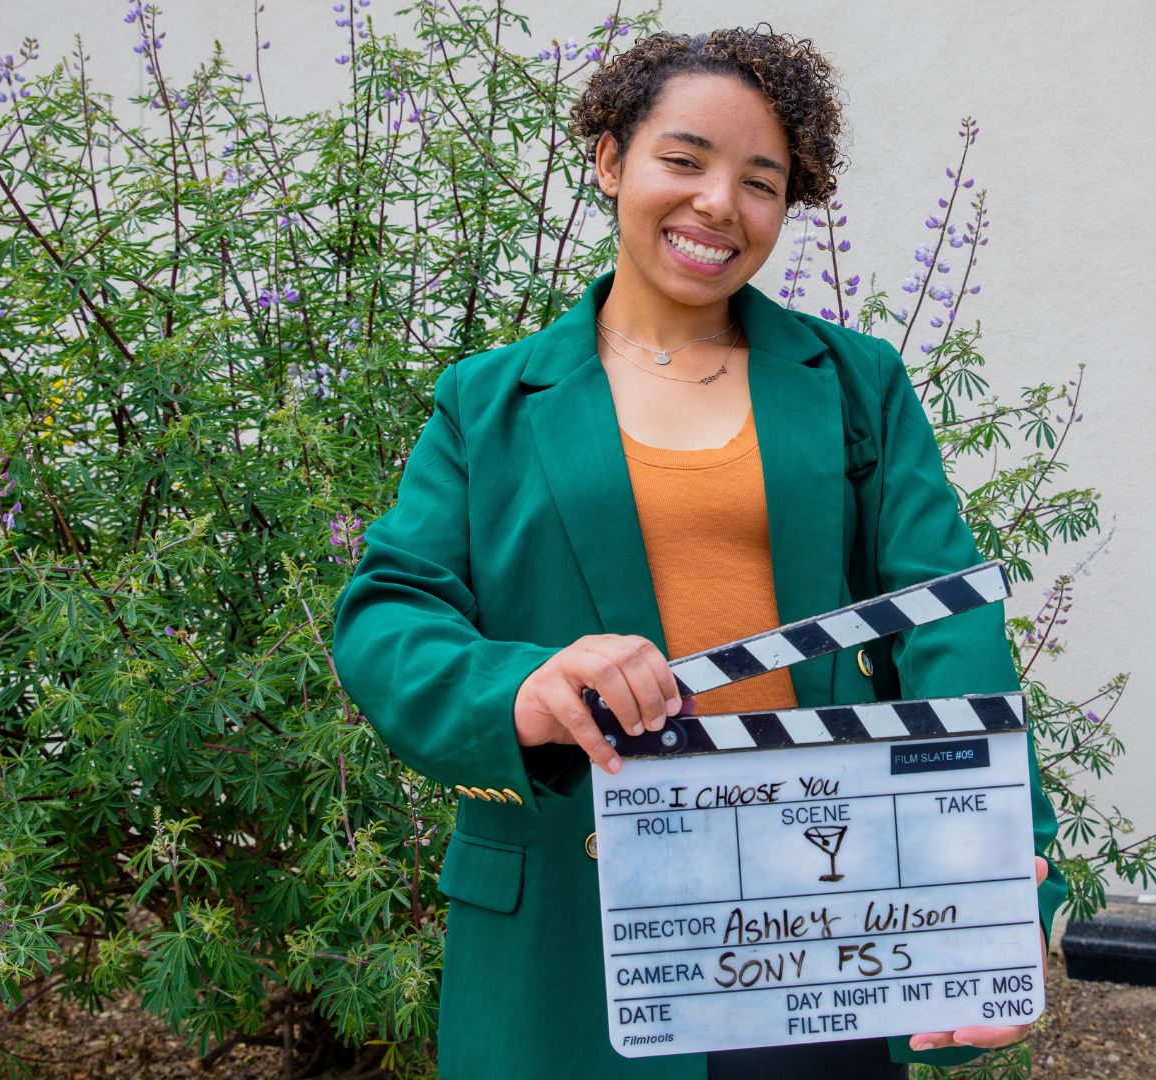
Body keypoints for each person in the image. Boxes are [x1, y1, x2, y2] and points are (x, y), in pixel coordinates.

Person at [331, 26, 1066, 1080]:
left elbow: (948, 620)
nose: (719, 203)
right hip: (569, 942)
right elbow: (391, 613)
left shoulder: (857, 385)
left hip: (820, 925)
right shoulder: (486, 402)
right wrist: (523, 687)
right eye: (684, 160)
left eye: (761, 181)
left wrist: (1000, 877)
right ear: (610, 160)